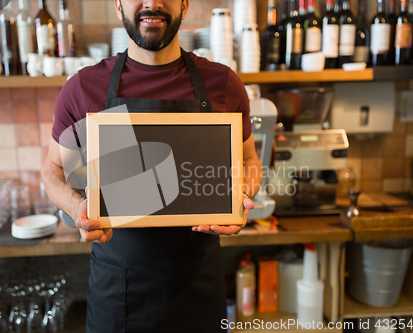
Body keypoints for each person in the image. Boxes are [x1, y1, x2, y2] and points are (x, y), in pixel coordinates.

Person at [40, 0, 263, 331]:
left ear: (185, 4)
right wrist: (77, 208)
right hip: (119, 292)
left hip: (198, 288)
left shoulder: (222, 84)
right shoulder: (85, 89)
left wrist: (239, 195)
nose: (152, 2)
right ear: (118, 6)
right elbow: (53, 171)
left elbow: (249, 161)